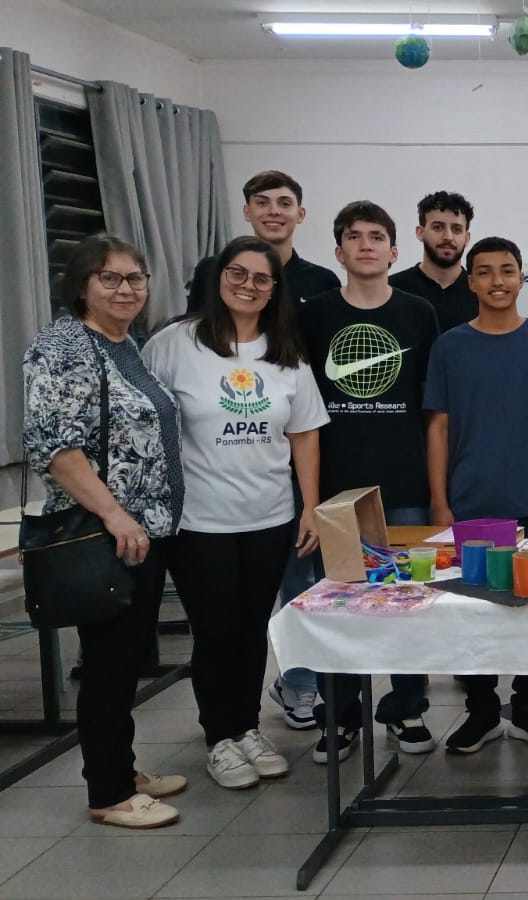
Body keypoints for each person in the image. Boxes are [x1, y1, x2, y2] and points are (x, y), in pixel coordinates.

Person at [144, 235, 329, 789]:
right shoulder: (174, 344)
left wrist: (311, 506)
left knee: (252, 630)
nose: (248, 286)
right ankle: (219, 738)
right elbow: (145, 420)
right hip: (199, 521)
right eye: (238, 274)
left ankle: (247, 727)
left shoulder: (285, 350)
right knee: (215, 630)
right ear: (219, 277)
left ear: (275, 290)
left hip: (269, 517)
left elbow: (304, 433)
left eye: (261, 278)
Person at [23, 235, 186, 828]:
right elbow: (56, 449)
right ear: (82, 284)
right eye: (109, 278)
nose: (125, 289)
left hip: (144, 532)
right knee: (109, 663)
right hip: (105, 533)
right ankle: (109, 793)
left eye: (135, 278)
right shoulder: (64, 346)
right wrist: (115, 515)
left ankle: (122, 767)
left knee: (124, 657)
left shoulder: (124, 344)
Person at [295, 201, 440, 761]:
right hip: (335, 489)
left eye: (376, 237)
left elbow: (432, 409)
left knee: (407, 602)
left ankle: (407, 708)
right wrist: (308, 497)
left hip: (403, 485)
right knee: (337, 608)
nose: (365, 245)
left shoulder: (418, 313)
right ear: (338, 251)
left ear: (394, 251)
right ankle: (340, 715)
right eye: (353, 237)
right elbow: (302, 411)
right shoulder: (313, 315)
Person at [425, 236, 528, 755]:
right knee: (473, 614)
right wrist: (441, 501)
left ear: (521, 278)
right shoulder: (450, 346)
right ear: (470, 281)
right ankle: (482, 712)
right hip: (470, 504)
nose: (497, 281)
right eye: (486, 271)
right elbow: (439, 426)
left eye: (508, 270)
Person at [185, 170, 339, 313]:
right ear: (247, 212)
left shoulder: (323, 281)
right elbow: (191, 329)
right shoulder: (211, 270)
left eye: (285, 204)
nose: (274, 211)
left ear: (300, 214)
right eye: (262, 203)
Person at [389, 191, 478, 334]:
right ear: (420, 232)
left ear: (467, 238)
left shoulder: (481, 292)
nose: (448, 237)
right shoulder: (391, 289)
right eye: (438, 227)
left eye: (456, 229)